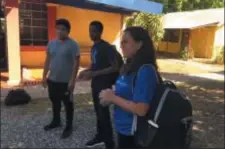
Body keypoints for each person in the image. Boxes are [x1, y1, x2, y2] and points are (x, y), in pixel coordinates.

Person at [99, 26, 160, 149]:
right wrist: (112, 94)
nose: (121, 45)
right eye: (121, 42)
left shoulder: (145, 71)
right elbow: (126, 90)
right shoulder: (129, 67)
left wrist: (112, 98)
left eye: (125, 41)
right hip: (123, 129)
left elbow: (141, 109)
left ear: (139, 44)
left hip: (135, 133)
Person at [78, 21, 120, 149]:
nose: (91, 33)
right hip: (95, 84)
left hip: (104, 85)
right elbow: (95, 64)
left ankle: (110, 144)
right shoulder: (94, 47)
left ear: (100, 32)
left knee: (103, 114)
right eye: (90, 30)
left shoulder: (106, 47)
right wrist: (86, 71)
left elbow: (115, 67)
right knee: (98, 112)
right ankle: (100, 136)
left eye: (94, 31)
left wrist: (95, 74)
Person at [42, 19, 80, 139]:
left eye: (63, 29)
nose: (60, 31)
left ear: (68, 31)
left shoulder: (73, 44)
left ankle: (69, 126)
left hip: (66, 82)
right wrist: (44, 76)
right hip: (52, 79)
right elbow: (47, 60)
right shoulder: (51, 43)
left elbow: (76, 63)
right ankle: (56, 121)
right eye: (58, 28)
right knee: (55, 102)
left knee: (68, 104)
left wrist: (72, 81)